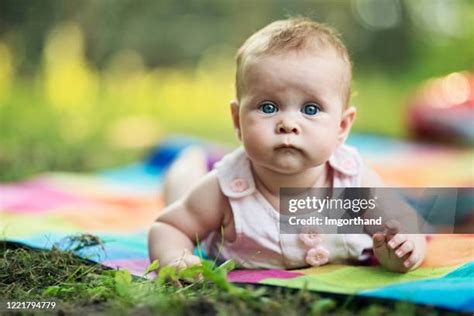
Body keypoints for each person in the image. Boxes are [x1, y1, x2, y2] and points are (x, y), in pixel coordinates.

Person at [148, 17, 426, 273]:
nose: (288, 124)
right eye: (268, 107)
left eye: (311, 108)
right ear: (237, 120)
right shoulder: (225, 189)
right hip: (217, 191)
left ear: (341, 127)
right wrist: (175, 258)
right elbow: (169, 226)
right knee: (184, 181)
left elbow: (404, 220)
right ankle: (190, 159)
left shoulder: (351, 182)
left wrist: (403, 250)